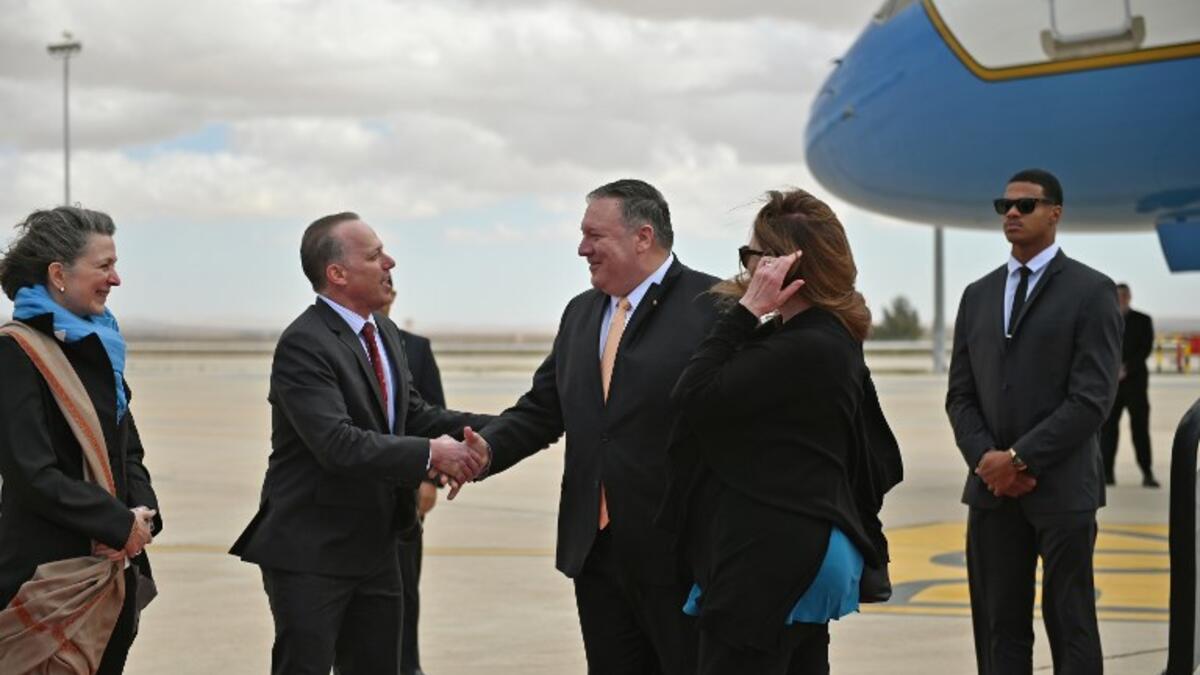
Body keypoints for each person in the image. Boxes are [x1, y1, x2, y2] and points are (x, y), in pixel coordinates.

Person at [465, 179, 720, 673]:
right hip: (598, 554)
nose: (582, 248)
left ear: (642, 237)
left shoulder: (712, 307)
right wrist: (485, 452)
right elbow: (542, 409)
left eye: (593, 235)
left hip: (682, 556)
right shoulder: (582, 313)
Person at [229, 212, 491, 675]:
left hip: (378, 548)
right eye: (374, 255)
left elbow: (414, 415)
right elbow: (338, 443)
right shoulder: (304, 343)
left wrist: (504, 428)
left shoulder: (383, 333)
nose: (389, 262)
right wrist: (433, 453)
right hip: (314, 553)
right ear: (337, 274)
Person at [663, 189, 888, 674]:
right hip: (801, 547)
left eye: (754, 257)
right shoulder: (826, 339)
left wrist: (746, 312)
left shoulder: (804, 346)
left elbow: (692, 397)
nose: (747, 270)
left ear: (782, 266)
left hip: (770, 557)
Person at [946, 169, 1122, 674]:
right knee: (998, 628)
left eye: (1026, 205)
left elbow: (1092, 399)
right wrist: (986, 461)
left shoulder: (1091, 291)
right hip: (991, 493)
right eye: (1005, 207)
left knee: (1071, 625)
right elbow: (960, 395)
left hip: (1062, 489)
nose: (1013, 214)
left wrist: (1019, 459)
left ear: (1056, 213)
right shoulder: (977, 295)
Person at [0, 206, 161, 674]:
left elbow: (128, 450)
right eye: (104, 266)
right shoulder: (16, 351)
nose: (116, 280)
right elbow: (32, 473)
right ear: (59, 275)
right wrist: (115, 524)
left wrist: (141, 521)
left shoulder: (100, 345)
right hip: (47, 578)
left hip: (110, 578)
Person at [1100, 282, 1158, 487]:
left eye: (1124, 295)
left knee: (1140, 429)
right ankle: (1106, 474)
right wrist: (1112, 369)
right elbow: (1099, 348)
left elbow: (1146, 348)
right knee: (1107, 430)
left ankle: (1147, 472)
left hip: (1135, 384)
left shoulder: (1143, 320)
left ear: (1130, 297)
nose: (1121, 299)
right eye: (1118, 296)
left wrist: (1126, 368)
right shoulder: (1104, 319)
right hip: (1111, 385)